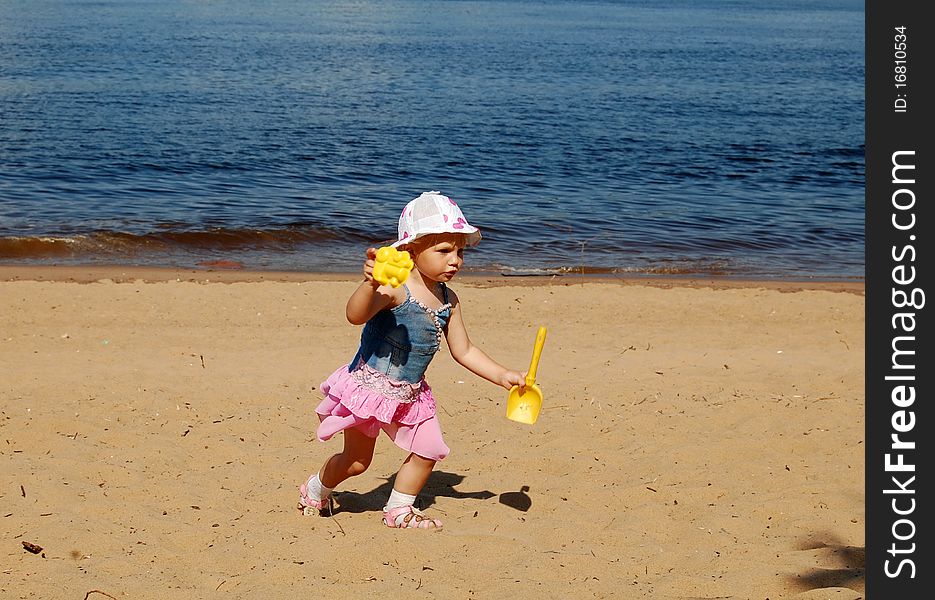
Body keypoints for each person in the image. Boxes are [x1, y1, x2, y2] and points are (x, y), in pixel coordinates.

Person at [298, 191, 527, 530]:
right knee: (357, 461)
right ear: (410, 250)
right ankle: (314, 490)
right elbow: (355, 315)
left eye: (460, 252)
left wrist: (502, 374)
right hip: (370, 389)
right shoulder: (394, 289)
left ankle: (399, 510)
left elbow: (464, 350)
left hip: (410, 395)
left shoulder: (449, 300)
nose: (456, 261)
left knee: (429, 449)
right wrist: (369, 284)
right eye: (444, 250)